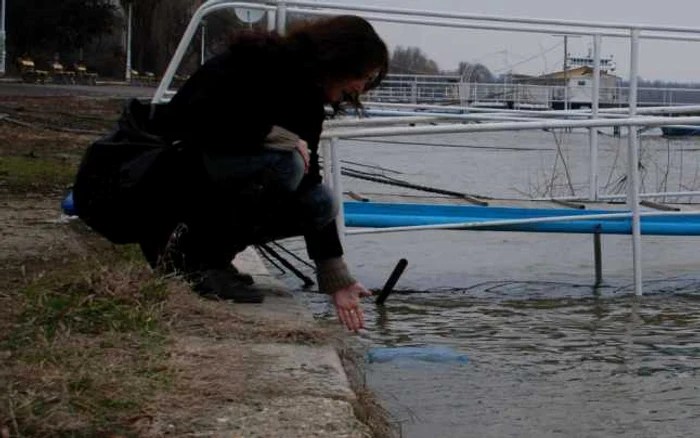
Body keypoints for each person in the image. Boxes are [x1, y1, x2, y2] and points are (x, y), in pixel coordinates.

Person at [137, 15, 389, 332]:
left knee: (320, 202)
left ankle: (212, 257)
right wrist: (274, 136)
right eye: (362, 76)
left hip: (212, 181)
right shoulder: (260, 64)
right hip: (172, 176)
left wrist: (336, 277)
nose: (361, 87)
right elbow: (190, 117)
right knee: (286, 163)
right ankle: (195, 259)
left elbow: (309, 180)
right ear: (339, 59)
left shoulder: (309, 96)